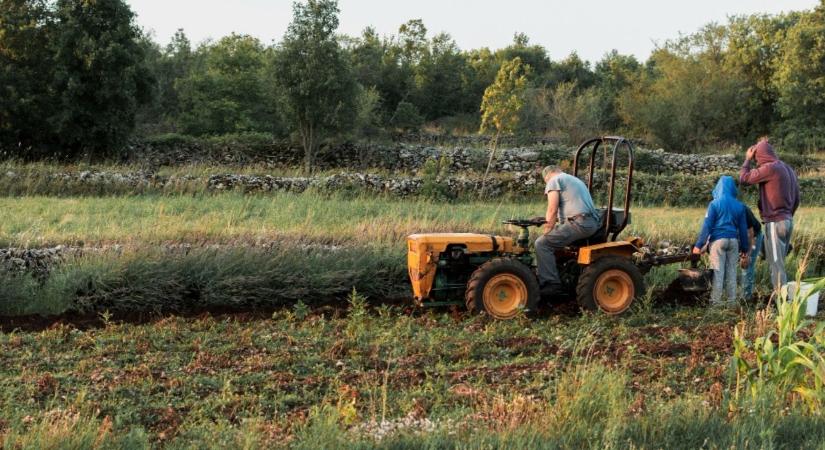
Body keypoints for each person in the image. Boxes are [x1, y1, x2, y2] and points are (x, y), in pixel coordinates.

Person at [739, 138, 800, 291]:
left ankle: (782, 305)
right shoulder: (788, 169)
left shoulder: (770, 168)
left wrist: (747, 160)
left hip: (775, 222)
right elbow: (797, 199)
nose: (757, 161)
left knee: (776, 266)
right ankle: (783, 300)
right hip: (788, 221)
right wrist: (787, 215)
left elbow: (744, 179)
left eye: (757, 157)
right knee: (777, 261)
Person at [535, 166, 601, 297]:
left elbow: (552, 209)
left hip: (579, 223)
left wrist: (547, 229)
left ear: (547, 177)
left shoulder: (554, 180)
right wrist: (545, 220)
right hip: (589, 222)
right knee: (553, 242)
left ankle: (551, 284)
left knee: (542, 244)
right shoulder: (572, 179)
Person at [692, 176, 750, 306]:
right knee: (731, 273)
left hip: (718, 242)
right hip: (733, 241)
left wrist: (698, 245)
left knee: (718, 272)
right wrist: (745, 249)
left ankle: (715, 304)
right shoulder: (740, 206)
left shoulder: (714, 204)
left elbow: (707, 226)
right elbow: (743, 229)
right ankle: (731, 302)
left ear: (718, 188)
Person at [740, 207, 763, 300]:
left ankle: (746, 298)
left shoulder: (743, 211)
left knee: (747, 265)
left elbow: (751, 236)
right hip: (739, 237)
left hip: (754, 237)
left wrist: (747, 254)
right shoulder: (719, 209)